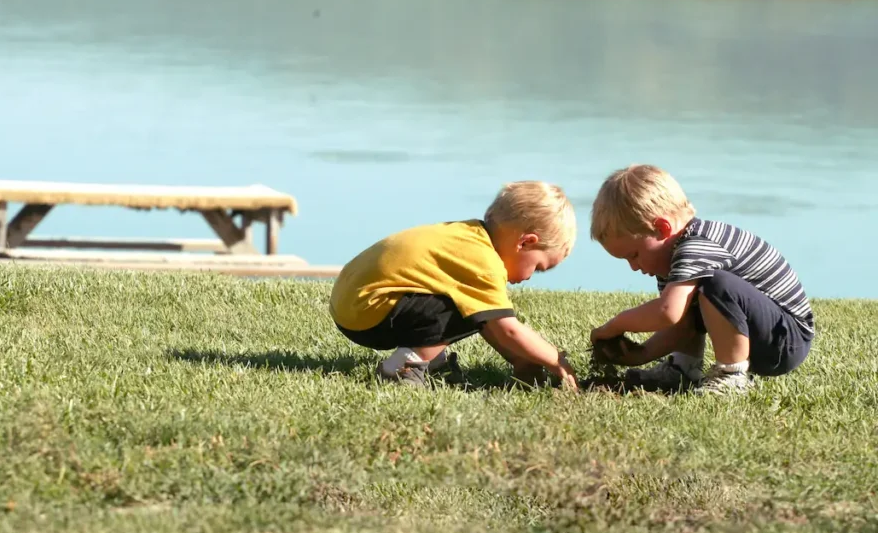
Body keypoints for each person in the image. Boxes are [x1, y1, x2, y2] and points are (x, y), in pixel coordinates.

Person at [329, 181, 579, 390]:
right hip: (367, 313)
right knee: (466, 309)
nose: (529, 277)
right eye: (537, 267)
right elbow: (507, 329)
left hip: (350, 302)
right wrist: (556, 361)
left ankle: (433, 362)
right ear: (525, 243)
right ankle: (402, 368)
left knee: (472, 307)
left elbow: (490, 325)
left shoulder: (468, 235)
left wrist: (520, 361)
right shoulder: (483, 262)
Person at [588, 164, 814, 395]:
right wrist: (641, 354)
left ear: (663, 228)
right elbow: (681, 324)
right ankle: (683, 369)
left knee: (715, 284)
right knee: (697, 294)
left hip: (785, 341)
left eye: (634, 255)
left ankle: (731, 376)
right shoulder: (673, 259)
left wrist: (615, 325)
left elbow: (667, 311)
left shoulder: (698, 245)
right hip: (763, 335)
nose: (634, 267)